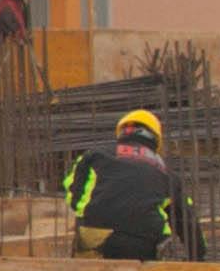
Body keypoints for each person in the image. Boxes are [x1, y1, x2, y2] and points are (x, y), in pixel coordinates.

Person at [61, 109, 204, 262]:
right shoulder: (168, 175)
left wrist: (91, 211)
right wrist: (198, 256)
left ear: (121, 133)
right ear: (155, 139)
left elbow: (72, 190)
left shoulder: (94, 155)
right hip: (144, 238)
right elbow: (187, 221)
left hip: (94, 232)